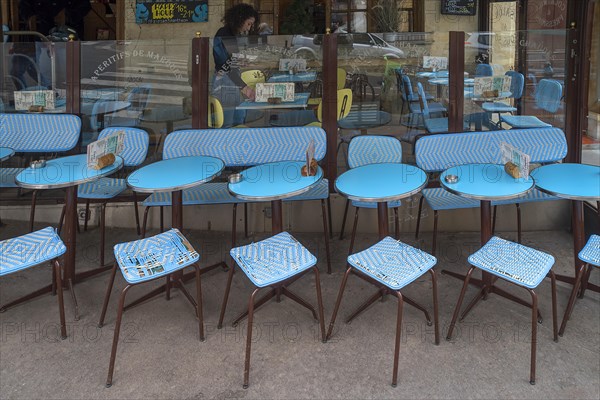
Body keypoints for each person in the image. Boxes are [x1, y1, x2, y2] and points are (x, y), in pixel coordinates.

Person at [212, 3, 259, 127]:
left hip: (232, 81)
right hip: (225, 82)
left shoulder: (233, 35)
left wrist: (240, 61)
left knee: (239, 120)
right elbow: (224, 66)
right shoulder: (224, 34)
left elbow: (230, 61)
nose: (249, 28)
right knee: (227, 124)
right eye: (248, 23)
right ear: (239, 19)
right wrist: (244, 87)